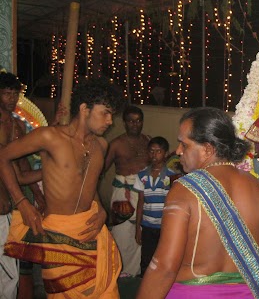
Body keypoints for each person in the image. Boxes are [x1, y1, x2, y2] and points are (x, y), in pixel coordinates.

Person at [136, 107, 259, 299]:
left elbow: (164, 268)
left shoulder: (184, 190)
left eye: (184, 144)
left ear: (207, 149)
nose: (178, 151)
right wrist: (246, 276)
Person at [0, 78, 124, 298]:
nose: (110, 121)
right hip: (58, 235)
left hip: (90, 231)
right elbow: (3, 157)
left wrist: (102, 210)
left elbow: (89, 185)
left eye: (111, 114)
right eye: (105, 113)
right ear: (84, 108)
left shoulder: (102, 146)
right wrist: (22, 201)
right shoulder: (50, 137)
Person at [0, 71, 44, 299]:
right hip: (6, 200)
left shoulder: (18, 126)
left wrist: (49, 173)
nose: (11, 99)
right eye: (6, 93)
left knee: (10, 272)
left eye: (14, 94)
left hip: (9, 205)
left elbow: (22, 170)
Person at [103, 105, 151, 277]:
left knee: (141, 232)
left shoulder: (148, 140)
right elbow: (101, 169)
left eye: (138, 121)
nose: (135, 124)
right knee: (121, 232)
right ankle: (119, 271)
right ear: (124, 123)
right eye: (131, 121)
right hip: (122, 192)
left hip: (143, 193)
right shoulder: (116, 144)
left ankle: (136, 271)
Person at [134, 136, 176, 277]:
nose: (154, 155)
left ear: (165, 153)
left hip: (164, 227)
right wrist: (138, 228)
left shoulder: (171, 176)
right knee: (146, 260)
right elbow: (141, 202)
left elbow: (173, 204)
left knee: (163, 260)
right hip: (147, 226)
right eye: (151, 151)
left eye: (158, 151)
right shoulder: (141, 176)